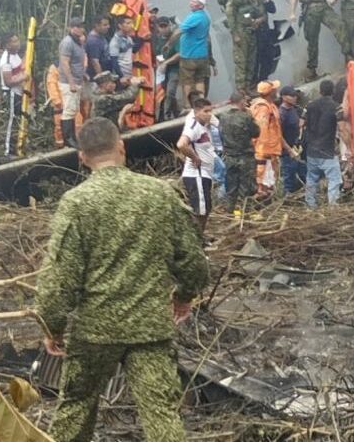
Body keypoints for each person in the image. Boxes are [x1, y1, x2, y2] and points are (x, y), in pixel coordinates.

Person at [35, 118, 208, 442]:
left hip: (95, 330)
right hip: (149, 327)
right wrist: (184, 296)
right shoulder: (159, 193)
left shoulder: (77, 203)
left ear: (82, 157)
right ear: (122, 147)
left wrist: (52, 325)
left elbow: (59, 277)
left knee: (75, 407)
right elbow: (193, 260)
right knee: (162, 413)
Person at [291, 0, 342, 80]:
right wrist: (291, 12)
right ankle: (312, 70)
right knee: (312, 41)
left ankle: (350, 55)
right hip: (310, 10)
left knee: (340, 26)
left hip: (324, 7)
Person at [162, 0, 214, 110]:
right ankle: (202, 102)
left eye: (194, 2)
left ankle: (187, 105)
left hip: (190, 55)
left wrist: (169, 44)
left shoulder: (194, 17)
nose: (190, 3)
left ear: (200, 5)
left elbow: (178, 31)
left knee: (187, 82)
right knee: (200, 80)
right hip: (202, 55)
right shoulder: (206, 17)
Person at [177, 98, 218, 233]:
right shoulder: (193, 126)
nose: (209, 114)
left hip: (206, 174)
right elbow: (181, 144)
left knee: (206, 208)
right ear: (196, 112)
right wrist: (194, 157)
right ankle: (196, 237)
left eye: (210, 111)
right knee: (200, 210)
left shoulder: (206, 125)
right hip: (196, 174)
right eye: (205, 111)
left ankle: (200, 236)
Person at [219, 91, 260, 218]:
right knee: (246, 188)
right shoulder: (246, 117)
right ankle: (246, 214)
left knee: (231, 188)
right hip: (245, 157)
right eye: (245, 101)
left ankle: (230, 213)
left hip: (230, 157)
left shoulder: (223, 116)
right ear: (241, 101)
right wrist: (251, 116)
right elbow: (256, 132)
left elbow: (221, 135)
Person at [303, 79, 342, 208]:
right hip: (328, 150)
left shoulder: (309, 106)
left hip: (311, 150)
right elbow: (342, 127)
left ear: (320, 91)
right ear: (333, 91)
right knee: (334, 179)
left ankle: (310, 205)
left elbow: (300, 123)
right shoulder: (336, 107)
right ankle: (333, 206)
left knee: (311, 178)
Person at [225, 0, 263, 91]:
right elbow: (230, 16)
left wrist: (259, 20)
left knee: (251, 61)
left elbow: (262, 13)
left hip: (252, 32)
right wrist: (234, 34)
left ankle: (248, 87)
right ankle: (241, 90)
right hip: (241, 33)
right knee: (241, 62)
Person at [250, 80, 284, 200]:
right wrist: (264, 152)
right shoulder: (263, 108)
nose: (277, 91)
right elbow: (261, 130)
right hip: (264, 151)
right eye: (274, 89)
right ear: (270, 92)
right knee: (263, 182)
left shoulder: (270, 105)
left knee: (269, 181)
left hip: (271, 150)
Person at [57, 18, 88, 148]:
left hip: (78, 79)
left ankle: (72, 137)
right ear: (71, 28)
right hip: (69, 81)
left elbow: (78, 61)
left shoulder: (78, 42)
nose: (81, 29)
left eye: (82, 27)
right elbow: (64, 63)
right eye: (78, 27)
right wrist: (71, 82)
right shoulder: (67, 43)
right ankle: (68, 139)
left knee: (74, 109)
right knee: (69, 109)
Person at [0, 33, 26, 158]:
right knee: (11, 121)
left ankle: (17, 147)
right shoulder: (6, 60)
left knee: (17, 120)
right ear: (7, 45)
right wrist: (24, 77)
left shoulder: (16, 56)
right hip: (11, 94)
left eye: (17, 40)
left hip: (19, 93)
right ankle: (8, 151)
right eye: (14, 41)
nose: (17, 43)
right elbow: (8, 82)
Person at [250, 0, 280, 84]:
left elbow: (272, 10)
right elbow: (249, 13)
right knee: (257, 58)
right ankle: (254, 82)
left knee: (269, 55)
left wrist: (267, 0)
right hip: (255, 33)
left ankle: (264, 78)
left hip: (265, 31)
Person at [278, 85, 306, 195]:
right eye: (292, 96)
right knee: (289, 178)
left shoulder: (294, 109)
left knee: (303, 174)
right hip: (287, 152)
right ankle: (287, 198)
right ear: (284, 97)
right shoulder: (281, 113)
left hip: (297, 148)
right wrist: (289, 150)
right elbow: (278, 135)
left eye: (295, 95)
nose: (295, 98)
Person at [108, 17, 139, 82]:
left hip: (129, 74)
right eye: (128, 23)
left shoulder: (129, 39)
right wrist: (121, 76)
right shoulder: (115, 41)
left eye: (131, 23)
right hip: (120, 76)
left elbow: (134, 50)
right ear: (120, 25)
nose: (131, 26)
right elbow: (114, 61)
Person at [83, 16, 113, 81]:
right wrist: (102, 79)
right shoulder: (93, 41)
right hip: (95, 77)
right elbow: (95, 61)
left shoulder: (101, 37)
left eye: (108, 24)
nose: (108, 27)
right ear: (97, 26)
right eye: (105, 25)